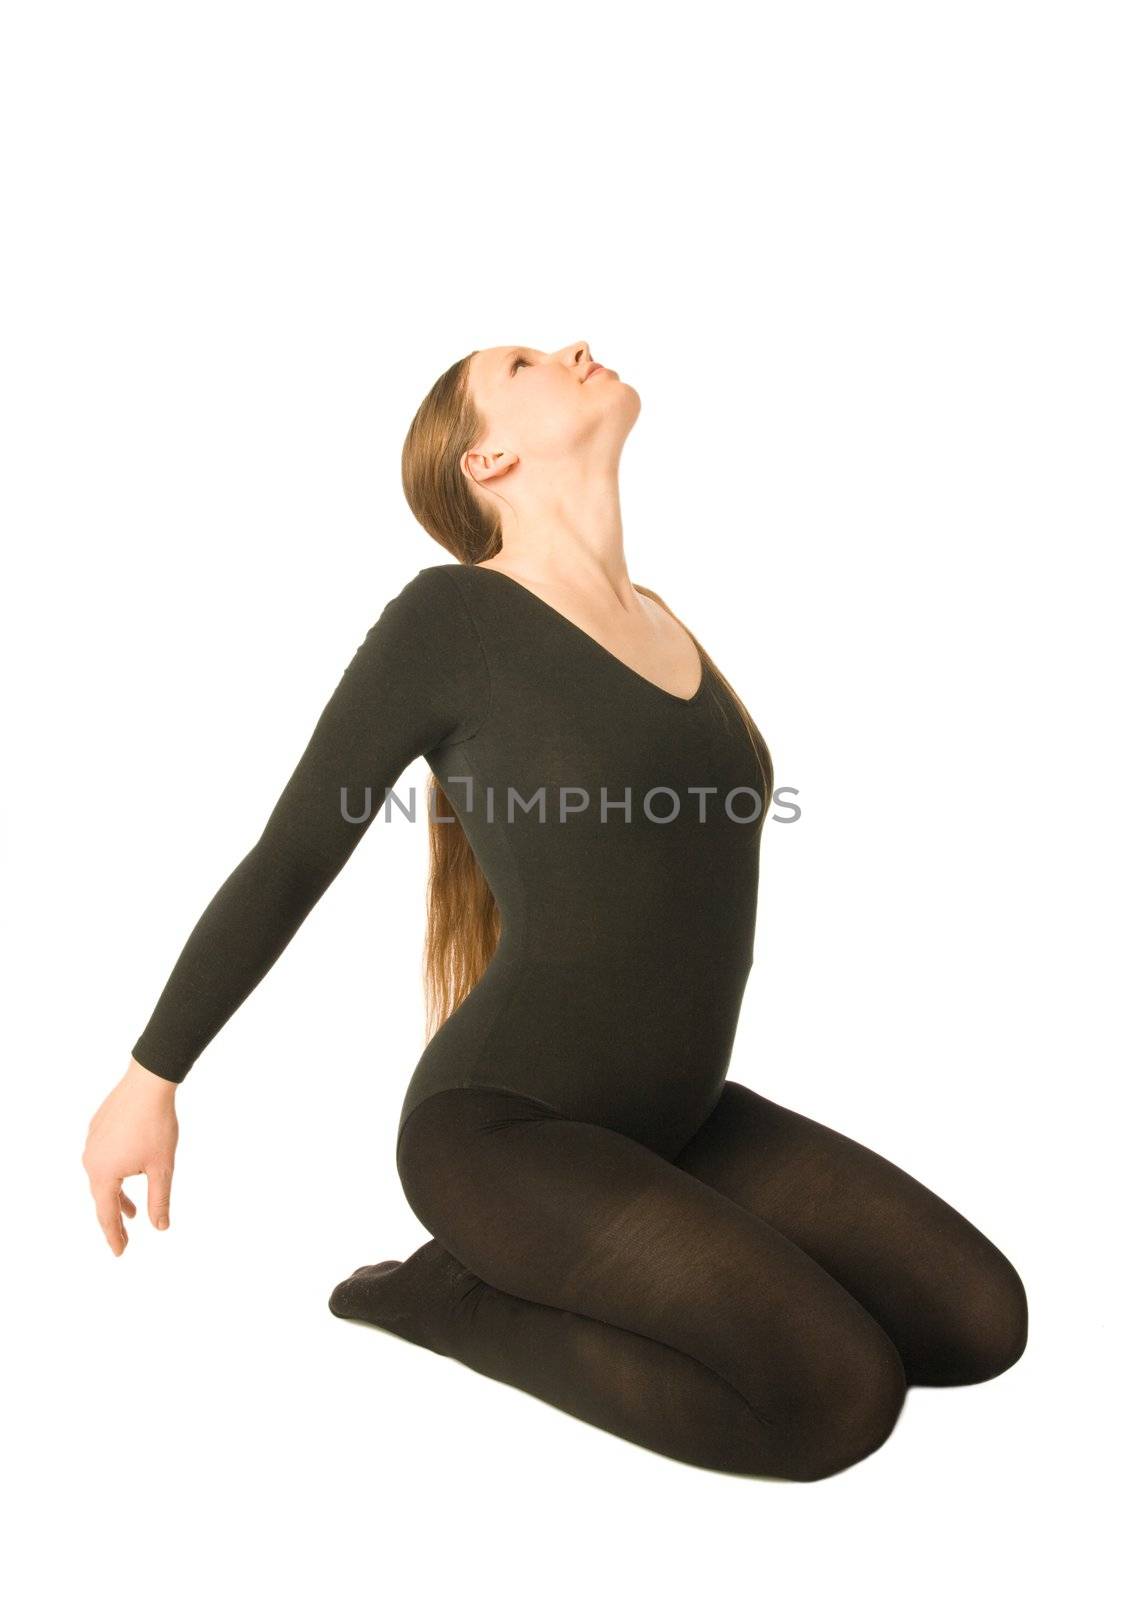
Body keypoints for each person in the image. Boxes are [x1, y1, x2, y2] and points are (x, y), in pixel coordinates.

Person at [83, 341, 1028, 1480]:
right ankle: (449, 1297)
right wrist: (151, 1078)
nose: (576, 347)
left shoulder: (667, 620)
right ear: (488, 455)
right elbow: (293, 853)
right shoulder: (451, 619)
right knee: (838, 1397)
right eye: (527, 361)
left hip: (677, 1119)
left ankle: (632, 1257)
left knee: (980, 1323)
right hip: (502, 1137)